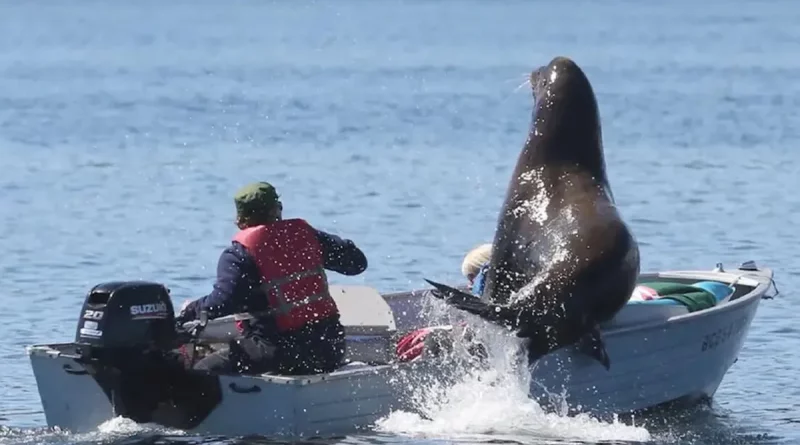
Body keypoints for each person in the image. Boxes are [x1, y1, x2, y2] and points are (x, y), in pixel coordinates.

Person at [176, 181, 368, 375]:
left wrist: (190, 310)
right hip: (329, 348)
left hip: (276, 354)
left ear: (240, 219)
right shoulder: (307, 236)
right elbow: (357, 263)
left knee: (200, 371)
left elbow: (223, 302)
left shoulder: (239, 254)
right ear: (278, 209)